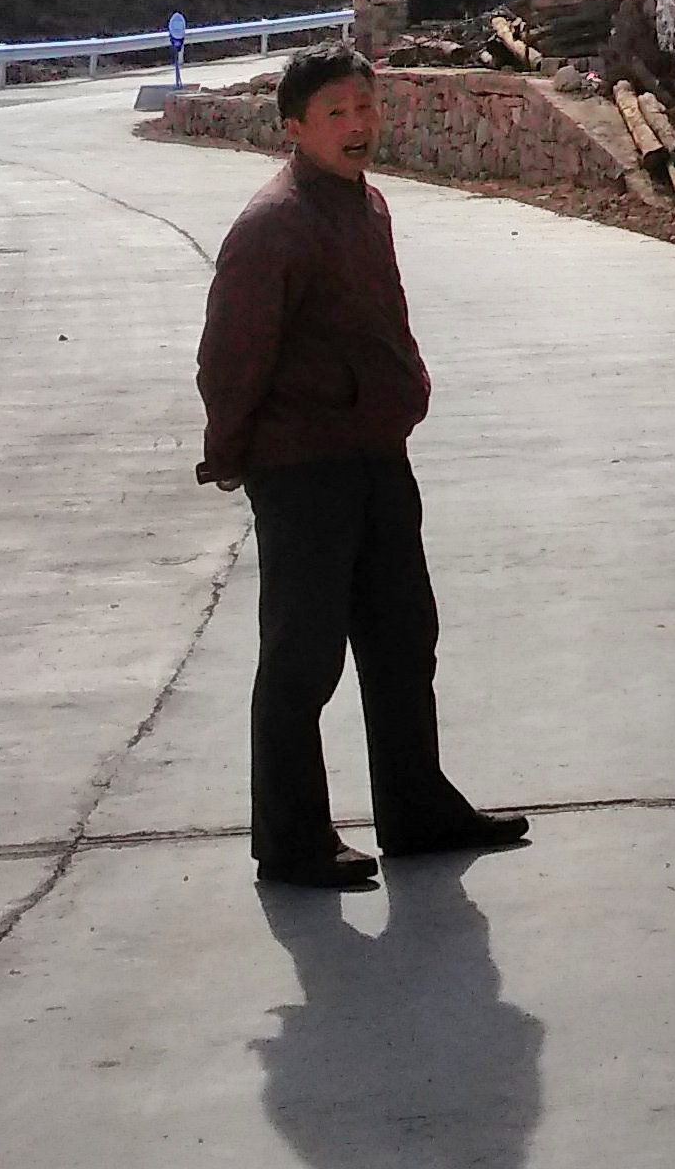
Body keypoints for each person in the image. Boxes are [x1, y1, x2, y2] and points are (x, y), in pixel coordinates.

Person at [195, 45, 530, 890]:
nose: (358, 126)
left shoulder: (366, 206)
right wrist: (232, 454)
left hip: (377, 454)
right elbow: (230, 357)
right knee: (303, 656)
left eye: (365, 108)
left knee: (402, 638)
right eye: (337, 113)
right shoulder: (273, 226)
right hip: (303, 469)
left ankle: (417, 813)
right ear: (295, 128)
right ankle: (292, 839)